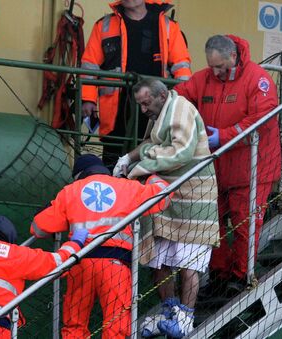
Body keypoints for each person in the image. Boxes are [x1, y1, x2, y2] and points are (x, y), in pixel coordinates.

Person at [173, 35, 282, 296]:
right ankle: (220, 276)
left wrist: (223, 135)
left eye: (220, 67)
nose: (216, 72)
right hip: (218, 169)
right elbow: (179, 97)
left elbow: (261, 120)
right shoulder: (205, 78)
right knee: (214, 225)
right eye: (212, 66)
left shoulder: (258, 80)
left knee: (245, 225)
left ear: (233, 57)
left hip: (252, 169)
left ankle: (241, 276)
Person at [114, 78, 219, 338]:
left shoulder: (182, 109)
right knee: (158, 258)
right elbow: (151, 143)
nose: (143, 110)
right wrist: (128, 157)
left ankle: (185, 319)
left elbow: (180, 153)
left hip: (195, 197)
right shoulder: (160, 112)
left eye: (146, 103)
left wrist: (139, 166)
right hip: (167, 196)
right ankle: (169, 310)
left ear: (162, 95)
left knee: (188, 261)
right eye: (139, 104)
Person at [31, 154, 173, 339]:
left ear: (79, 175)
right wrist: (149, 174)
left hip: (79, 263)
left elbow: (38, 228)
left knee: (75, 323)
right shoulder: (127, 187)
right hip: (116, 266)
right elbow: (163, 196)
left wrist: (48, 209)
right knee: (117, 323)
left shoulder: (70, 191)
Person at [80, 0, 192, 167]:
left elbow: (181, 67)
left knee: (154, 151)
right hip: (116, 111)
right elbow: (90, 65)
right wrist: (87, 99)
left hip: (157, 108)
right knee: (113, 160)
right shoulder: (104, 25)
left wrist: (183, 102)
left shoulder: (169, 26)